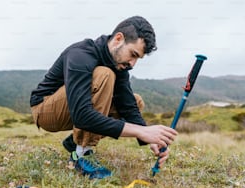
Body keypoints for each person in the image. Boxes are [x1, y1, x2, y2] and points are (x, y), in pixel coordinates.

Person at [30, 16, 178, 179]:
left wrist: (152, 140)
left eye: (138, 59)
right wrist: (141, 131)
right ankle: (82, 154)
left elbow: (128, 106)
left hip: (73, 109)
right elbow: (81, 116)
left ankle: (74, 143)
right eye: (133, 54)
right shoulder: (81, 54)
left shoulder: (119, 65)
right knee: (104, 75)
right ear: (118, 39)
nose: (133, 63)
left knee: (136, 101)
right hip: (45, 111)